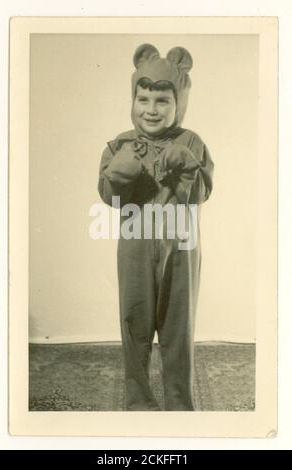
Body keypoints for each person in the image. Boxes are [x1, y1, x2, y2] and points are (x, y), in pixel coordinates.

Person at [98, 43, 214, 411]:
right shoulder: (120, 144)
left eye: (162, 100)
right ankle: (138, 403)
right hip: (134, 246)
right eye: (143, 98)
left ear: (179, 102)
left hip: (181, 246)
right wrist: (117, 177)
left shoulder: (191, 141)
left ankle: (180, 405)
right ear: (132, 99)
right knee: (135, 323)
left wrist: (188, 167)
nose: (151, 109)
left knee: (178, 328)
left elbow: (201, 194)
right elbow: (107, 197)